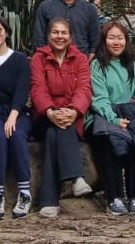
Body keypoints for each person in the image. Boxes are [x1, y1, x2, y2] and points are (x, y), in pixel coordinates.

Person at [30, 16, 93, 218]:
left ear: (70, 37)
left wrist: (73, 111)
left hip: (72, 116)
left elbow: (84, 89)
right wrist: (50, 111)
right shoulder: (38, 59)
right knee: (54, 127)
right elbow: (37, 89)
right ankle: (76, 177)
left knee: (54, 134)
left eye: (64, 32)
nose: (59, 36)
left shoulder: (80, 59)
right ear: (48, 36)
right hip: (44, 116)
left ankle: (49, 201)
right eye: (55, 32)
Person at [86, 21, 135, 216]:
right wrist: (115, 120)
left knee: (134, 144)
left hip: (130, 119)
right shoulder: (97, 66)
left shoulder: (134, 67)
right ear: (104, 41)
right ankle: (113, 197)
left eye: (120, 37)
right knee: (111, 142)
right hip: (102, 119)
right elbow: (99, 98)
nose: (116, 42)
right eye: (111, 37)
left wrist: (133, 121)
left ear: (126, 40)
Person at [0, 15, 33, 219]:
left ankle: (25, 193)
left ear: (6, 32)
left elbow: (22, 90)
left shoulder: (19, 59)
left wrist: (13, 115)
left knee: (17, 135)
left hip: (16, 111)